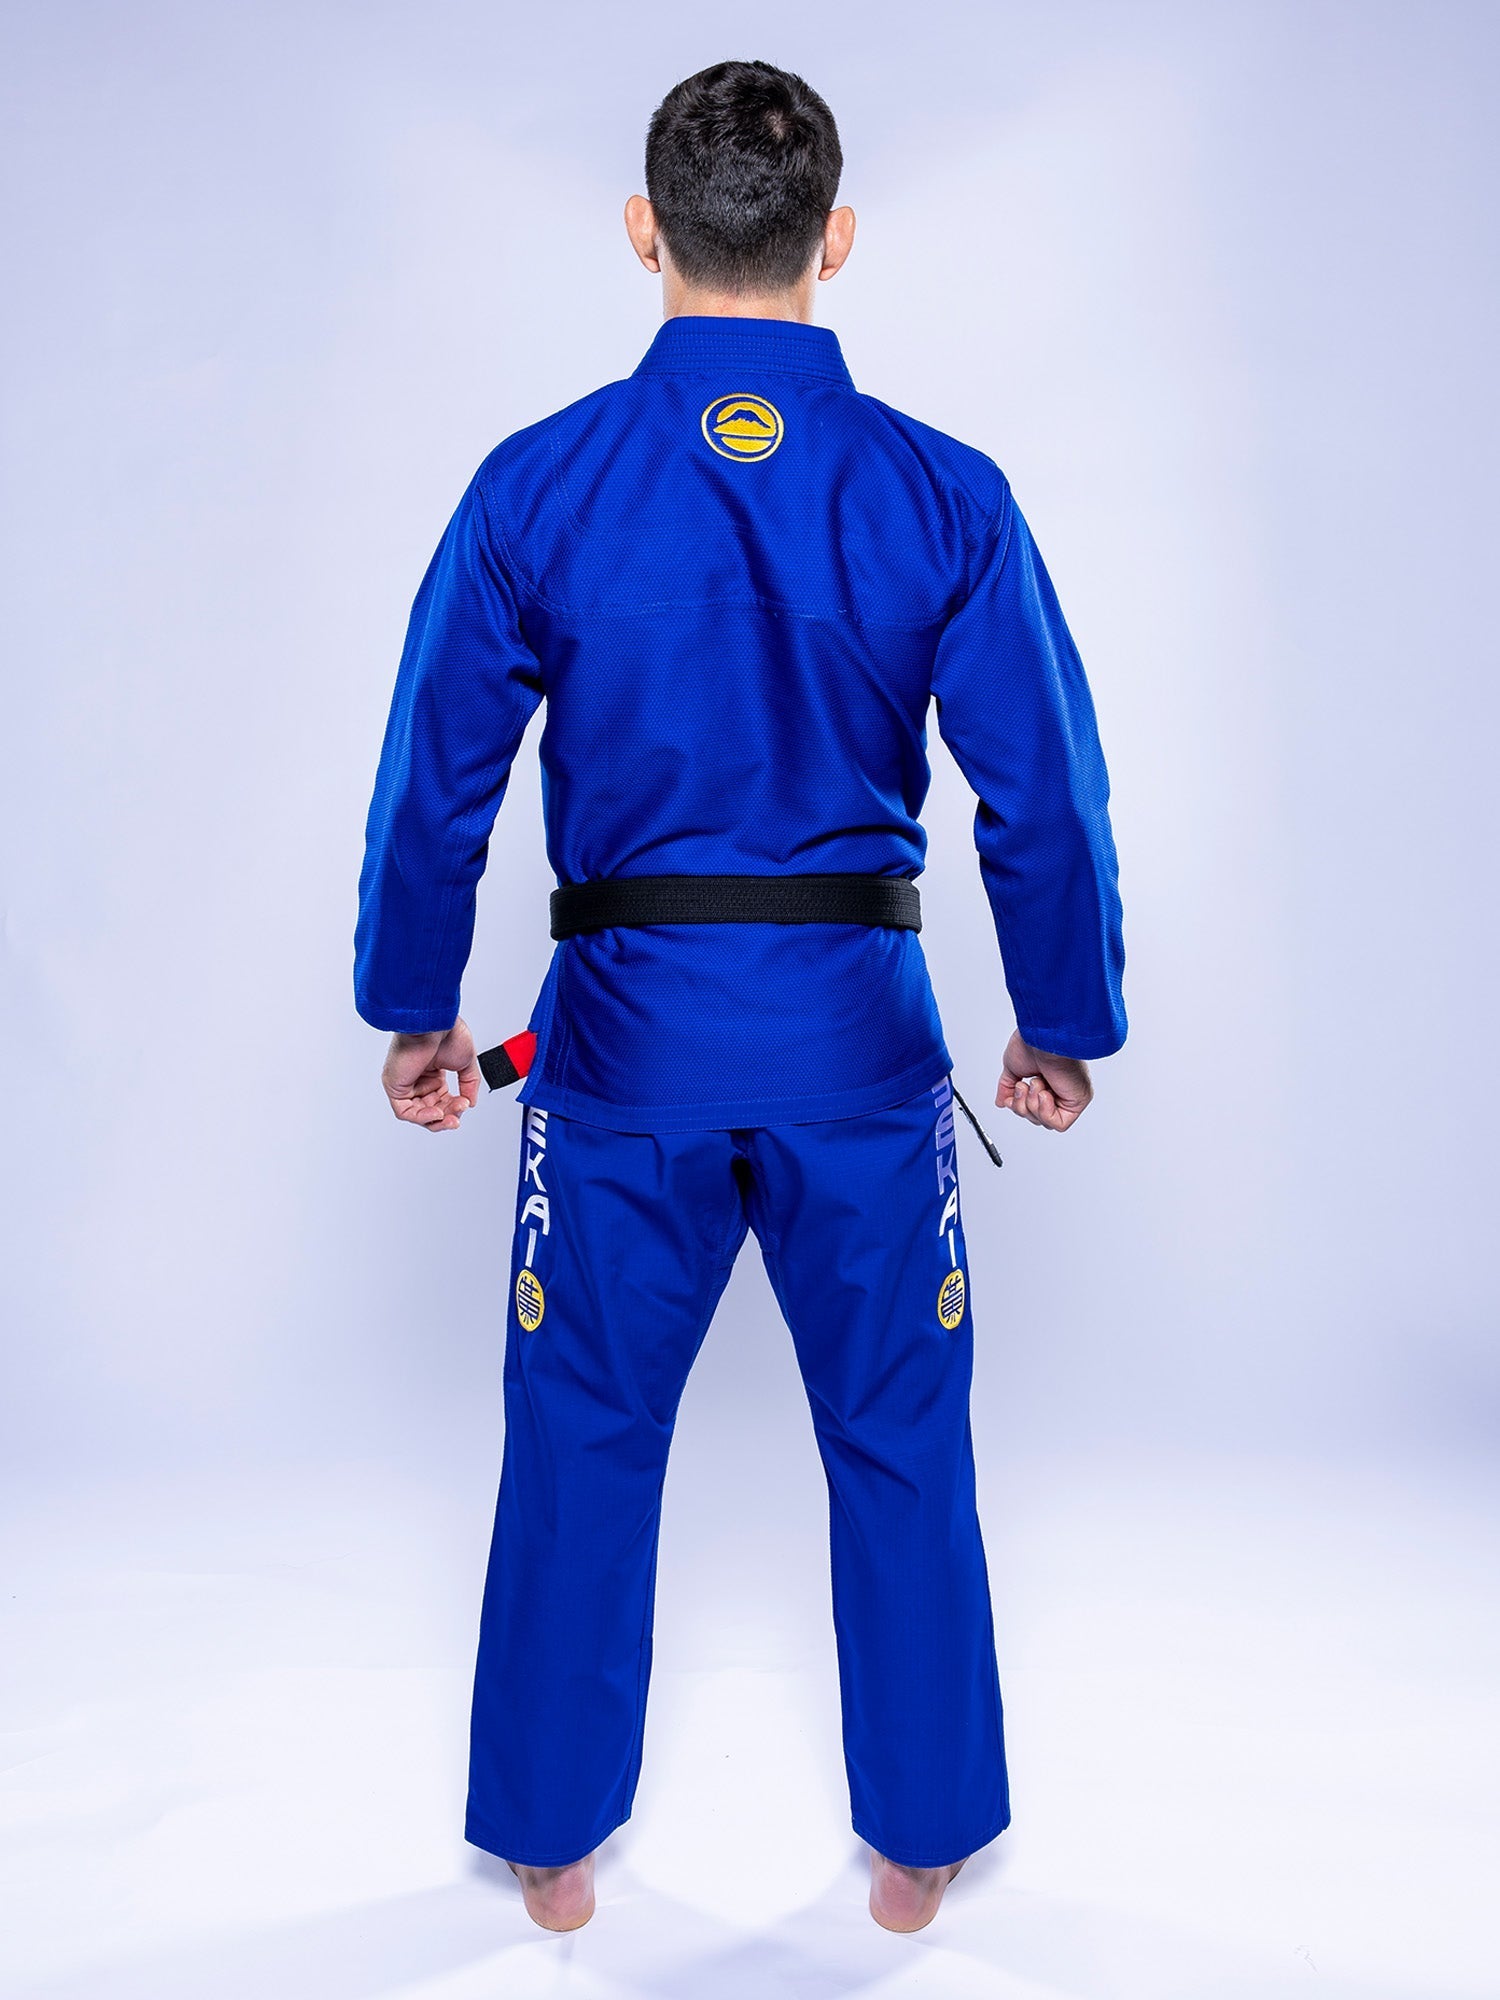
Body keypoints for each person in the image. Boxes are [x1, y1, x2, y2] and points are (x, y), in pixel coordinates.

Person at [354, 58, 1126, 1936]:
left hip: (625, 1052)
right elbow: (1042, 789)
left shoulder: (539, 486)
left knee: (583, 1434)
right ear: (834, 241)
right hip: (859, 1047)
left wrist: (416, 1002)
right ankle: (923, 1846)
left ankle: (550, 1847)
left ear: (645, 232)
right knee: (900, 1438)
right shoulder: (944, 493)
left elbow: (436, 776)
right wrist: (1059, 1018)